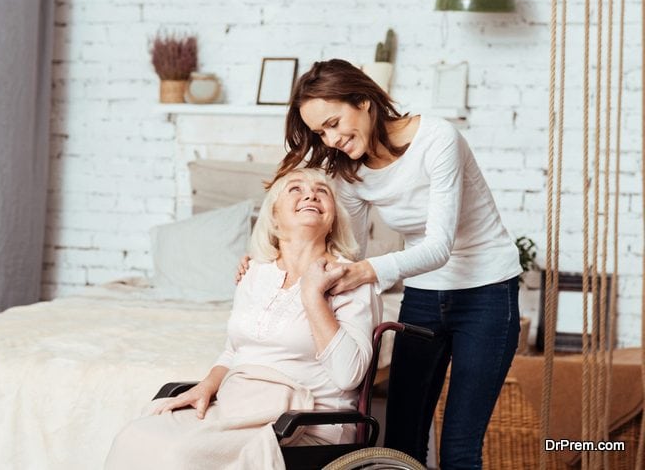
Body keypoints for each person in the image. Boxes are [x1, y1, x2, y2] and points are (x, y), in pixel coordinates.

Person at [258, 59, 521, 469]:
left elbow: (438, 248)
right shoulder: (349, 173)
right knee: (400, 443)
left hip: (487, 292)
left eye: (333, 122)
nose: (331, 139)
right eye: (320, 132)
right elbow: (345, 253)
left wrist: (366, 271)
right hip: (424, 294)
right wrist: (268, 262)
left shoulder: (438, 138)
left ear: (363, 101)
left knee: (458, 450)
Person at [106, 168, 381, 470]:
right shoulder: (254, 273)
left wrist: (313, 296)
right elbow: (234, 350)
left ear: (334, 218)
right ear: (274, 217)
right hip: (238, 406)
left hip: (304, 422)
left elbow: (349, 374)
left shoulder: (351, 278)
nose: (310, 194)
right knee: (135, 436)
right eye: (295, 188)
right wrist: (206, 386)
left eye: (322, 190)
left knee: (180, 456)